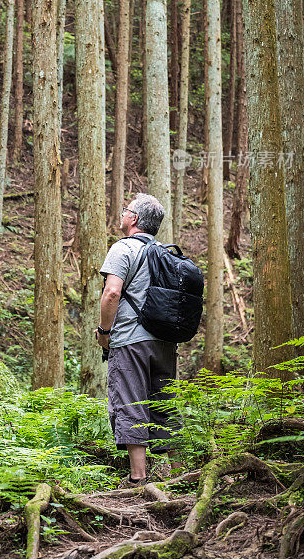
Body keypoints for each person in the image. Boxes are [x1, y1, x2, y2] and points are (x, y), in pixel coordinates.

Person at [96, 193, 178, 486]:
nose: (122, 214)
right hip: (165, 341)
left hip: (130, 339)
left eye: (125, 210)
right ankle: (170, 473)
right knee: (163, 402)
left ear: (134, 219)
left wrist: (105, 333)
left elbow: (112, 293)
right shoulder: (167, 254)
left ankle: (137, 479)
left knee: (131, 402)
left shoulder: (123, 249)